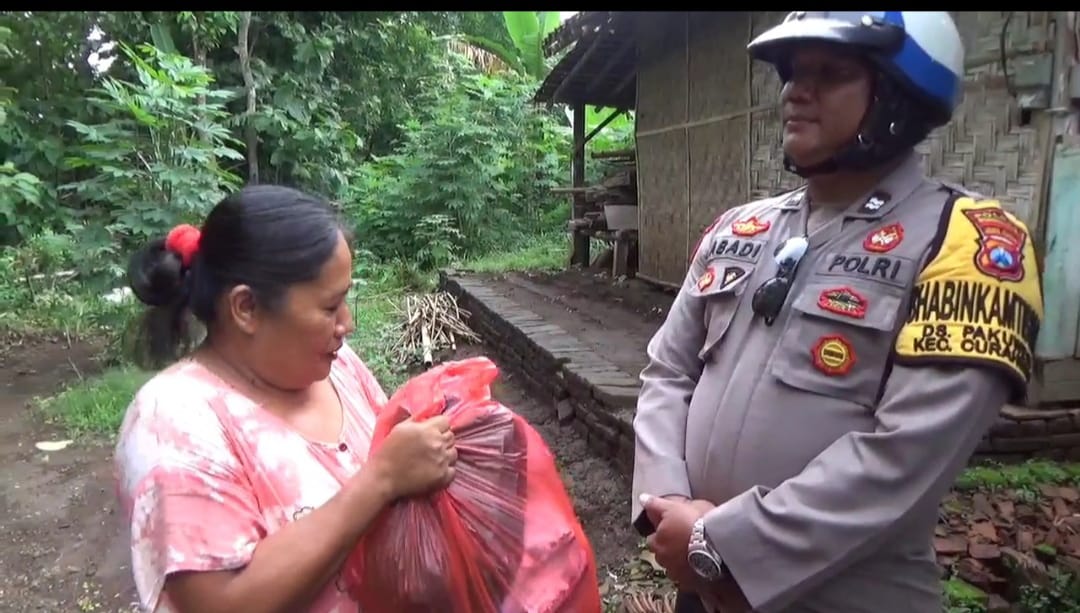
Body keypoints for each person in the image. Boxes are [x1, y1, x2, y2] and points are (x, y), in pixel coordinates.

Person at [631, 11, 1044, 613]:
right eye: (795, 72)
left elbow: (904, 455)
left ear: (899, 95)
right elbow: (667, 372)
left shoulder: (966, 245)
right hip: (702, 583)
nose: (797, 90)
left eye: (831, 73)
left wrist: (726, 541)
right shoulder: (740, 227)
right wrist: (669, 505)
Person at [113, 185, 459, 613]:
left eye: (345, 300)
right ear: (247, 308)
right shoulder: (173, 422)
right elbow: (220, 604)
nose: (347, 324)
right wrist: (381, 480)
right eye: (331, 307)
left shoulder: (340, 367)